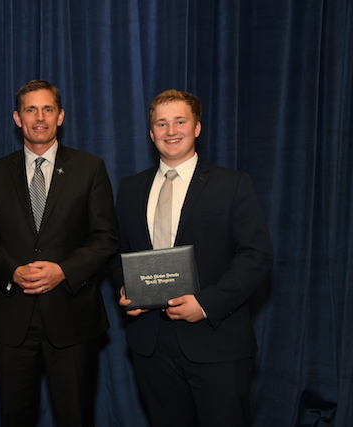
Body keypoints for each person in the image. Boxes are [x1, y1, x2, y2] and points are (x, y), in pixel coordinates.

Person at [114, 89, 274, 426]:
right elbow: (119, 252)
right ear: (151, 133)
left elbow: (256, 256)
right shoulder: (130, 188)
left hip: (216, 340)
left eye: (180, 121)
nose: (171, 131)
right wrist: (126, 290)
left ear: (197, 128)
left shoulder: (231, 184)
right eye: (161, 123)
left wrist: (205, 304)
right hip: (151, 345)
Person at [0, 80, 119, 427]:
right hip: (14, 320)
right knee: (15, 417)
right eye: (31, 110)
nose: (40, 117)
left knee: (75, 416)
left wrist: (63, 270)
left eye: (48, 109)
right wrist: (13, 271)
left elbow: (106, 237)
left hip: (73, 317)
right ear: (17, 118)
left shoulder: (89, 168)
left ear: (61, 116)